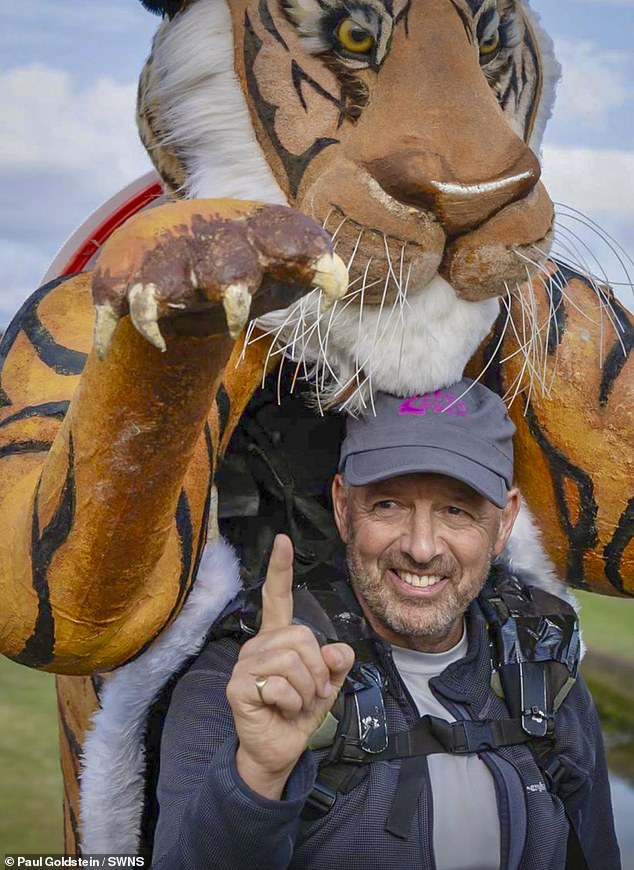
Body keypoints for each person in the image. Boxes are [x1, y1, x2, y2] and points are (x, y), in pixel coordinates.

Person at [151, 379, 620, 870]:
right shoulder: (250, 683)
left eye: (456, 510)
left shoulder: (544, 668)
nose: (421, 547)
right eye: (388, 504)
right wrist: (257, 777)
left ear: (504, 522)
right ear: (342, 506)